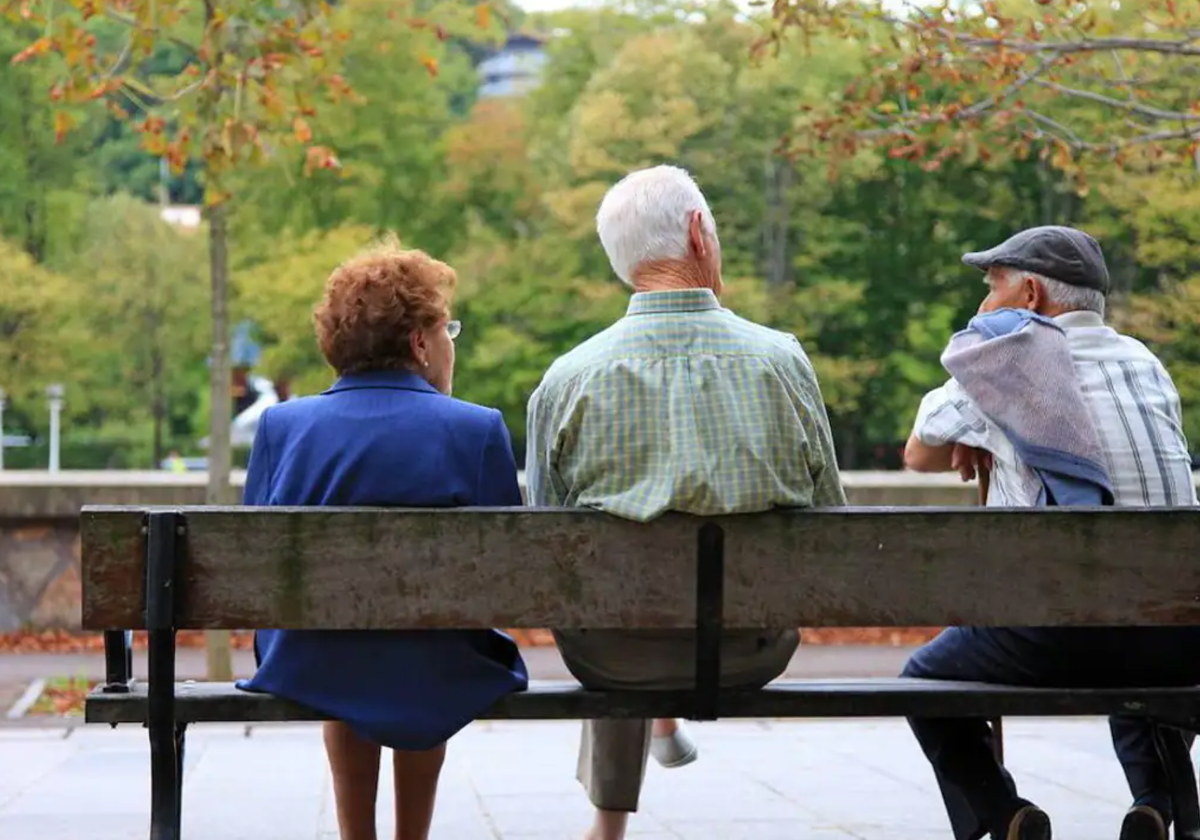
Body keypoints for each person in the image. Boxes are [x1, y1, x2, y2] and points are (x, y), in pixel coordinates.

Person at [525, 164, 846, 840]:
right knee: (638, 601)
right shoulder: (782, 362)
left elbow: (546, 552)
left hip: (612, 654)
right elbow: (831, 523)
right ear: (700, 233)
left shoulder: (567, 380)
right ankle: (657, 735)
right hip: (751, 649)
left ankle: (611, 816)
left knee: (615, 603)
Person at [903, 225, 1200, 840]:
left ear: (1031, 293)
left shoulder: (1003, 358)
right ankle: (1156, 805)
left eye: (992, 288)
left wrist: (982, 432)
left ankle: (1005, 812)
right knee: (1135, 625)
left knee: (924, 681)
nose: (985, 305)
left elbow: (920, 456)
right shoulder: (1146, 365)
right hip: (1178, 637)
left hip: (1052, 640)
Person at [236, 240, 528, 840]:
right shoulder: (476, 429)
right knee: (426, 645)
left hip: (311, 659)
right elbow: (506, 576)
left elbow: (258, 567)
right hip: (438, 662)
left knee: (345, 647)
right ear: (420, 344)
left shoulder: (281, 426)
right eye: (448, 330)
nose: (451, 343)